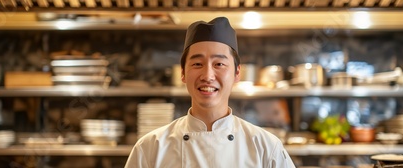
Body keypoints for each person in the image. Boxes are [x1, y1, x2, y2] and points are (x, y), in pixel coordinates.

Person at [125, 17, 296, 168]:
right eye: (197, 64)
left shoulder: (266, 147)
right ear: (183, 73)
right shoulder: (150, 148)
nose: (207, 76)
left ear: (237, 73)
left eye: (219, 64)